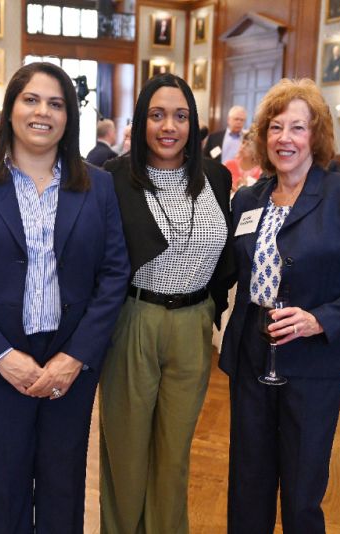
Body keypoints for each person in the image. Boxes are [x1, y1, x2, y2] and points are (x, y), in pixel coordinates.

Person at [0, 61, 130, 534]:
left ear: (69, 117)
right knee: (5, 487)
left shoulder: (97, 184)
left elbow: (114, 274)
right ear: (11, 109)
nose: (43, 112)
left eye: (56, 104)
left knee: (64, 487)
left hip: (70, 362)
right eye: (32, 100)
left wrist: (76, 357)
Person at [219, 78, 340, 533]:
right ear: (263, 136)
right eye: (275, 127)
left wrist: (319, 319)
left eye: (298, 127)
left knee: (301, 488)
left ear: (316, 135)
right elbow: (228, 269)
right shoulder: (247, 199)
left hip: (313, 362)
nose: (285, 138)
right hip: (252, 353)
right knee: (247, 482)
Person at [100, 73, 235, 534]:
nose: (168, 126)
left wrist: (209, 310)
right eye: (156, 115)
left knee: (175, 452)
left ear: (193, 123)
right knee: (126, 451)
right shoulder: (114, 179)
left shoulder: (217, 177)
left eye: (180, 116)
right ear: (140, 122)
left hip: (195, 324)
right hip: (132, 320)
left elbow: (228, 256)